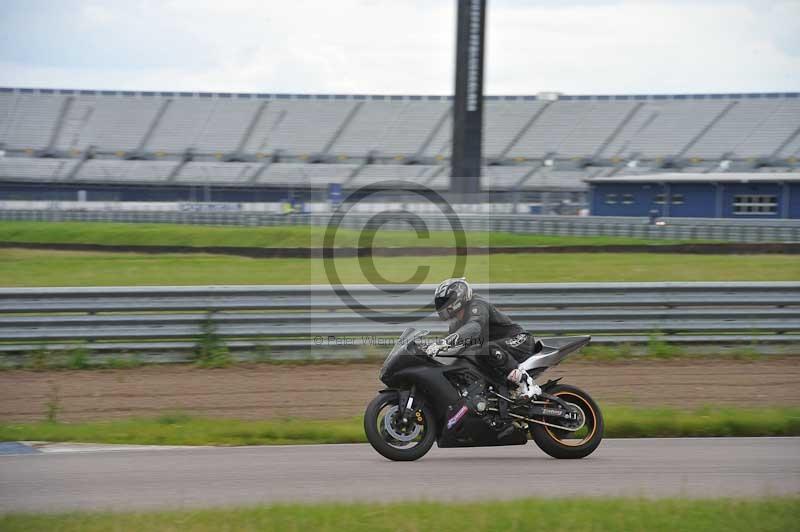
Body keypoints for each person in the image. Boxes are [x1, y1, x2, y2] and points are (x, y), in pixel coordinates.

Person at [425, 278, 542, 400]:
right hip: (498, 352)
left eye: (445, 301)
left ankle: (527, 383)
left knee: (486, 349)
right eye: (440, 302)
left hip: (519, 340)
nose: (441, 305)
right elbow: (453, 348)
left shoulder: (477, 304)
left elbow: (475, 327)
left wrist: (446, 341)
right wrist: (430, 349)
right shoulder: (455, 324)